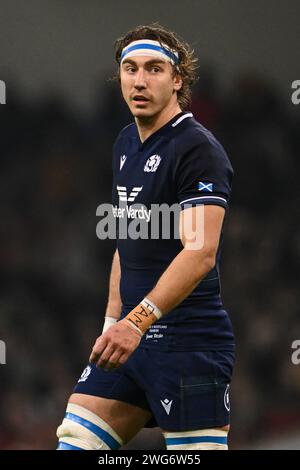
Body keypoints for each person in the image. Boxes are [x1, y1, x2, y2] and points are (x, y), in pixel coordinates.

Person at [56, 23, 235, 451]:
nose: (139, 80)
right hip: (130, 343)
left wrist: (135, 323)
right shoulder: (124, 143)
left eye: (154, 69)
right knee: (75, 439)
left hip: (188, 344)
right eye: (130, 68)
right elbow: (126, 238)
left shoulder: (197, 148)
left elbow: (200, 253)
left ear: (178, 80)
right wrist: (112, 324)